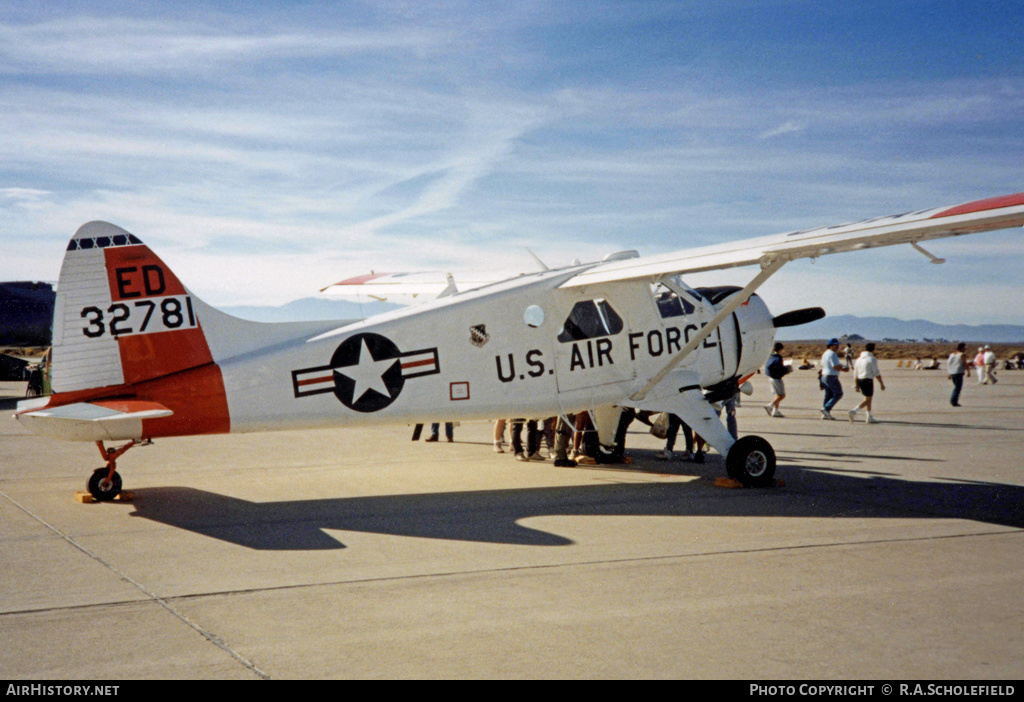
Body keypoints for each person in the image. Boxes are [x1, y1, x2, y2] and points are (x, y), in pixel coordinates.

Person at [849, 343, 885, 423]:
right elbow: (876, 373)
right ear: (873, 349)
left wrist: (856, 385)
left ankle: (868, 416)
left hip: (860, 380)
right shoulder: (872, 359)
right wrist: (881, 384)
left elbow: (855, 373)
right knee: (867, 400)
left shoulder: (858, 359)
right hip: (867, 380)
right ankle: (854, 411)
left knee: (868, 398)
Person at [820, 338, 847, 420]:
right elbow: (835, 366)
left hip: (824, 376)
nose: (837, 346)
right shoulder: (832, 354)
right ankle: (826, 409)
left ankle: (826, 413)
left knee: (828, 394)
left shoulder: (825, 353)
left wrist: (841, 365)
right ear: (831, 346)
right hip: (831, 376)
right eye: (836, 345)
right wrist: (844, 369)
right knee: (838, 393)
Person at [763, 342, 790, 417]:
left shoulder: (771, 357)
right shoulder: (778, 358)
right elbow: (779, 369)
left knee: (777, 395)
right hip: (776, 378)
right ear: (780, 349)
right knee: (782, 395)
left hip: (771, 378)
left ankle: (775, 411)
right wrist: (786, 371)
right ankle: (770, 405)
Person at [947, 342, 967, 407]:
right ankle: (954, 401)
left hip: (952, 372)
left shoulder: (952, 355)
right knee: (957, 388)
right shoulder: (962, 355)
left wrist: (949, 372)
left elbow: (949, 363)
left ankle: (954, 400)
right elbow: (964, 363)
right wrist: (968, 371)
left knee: (956, 387)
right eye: (964, 347)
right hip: (958, 372)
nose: (965, 348)